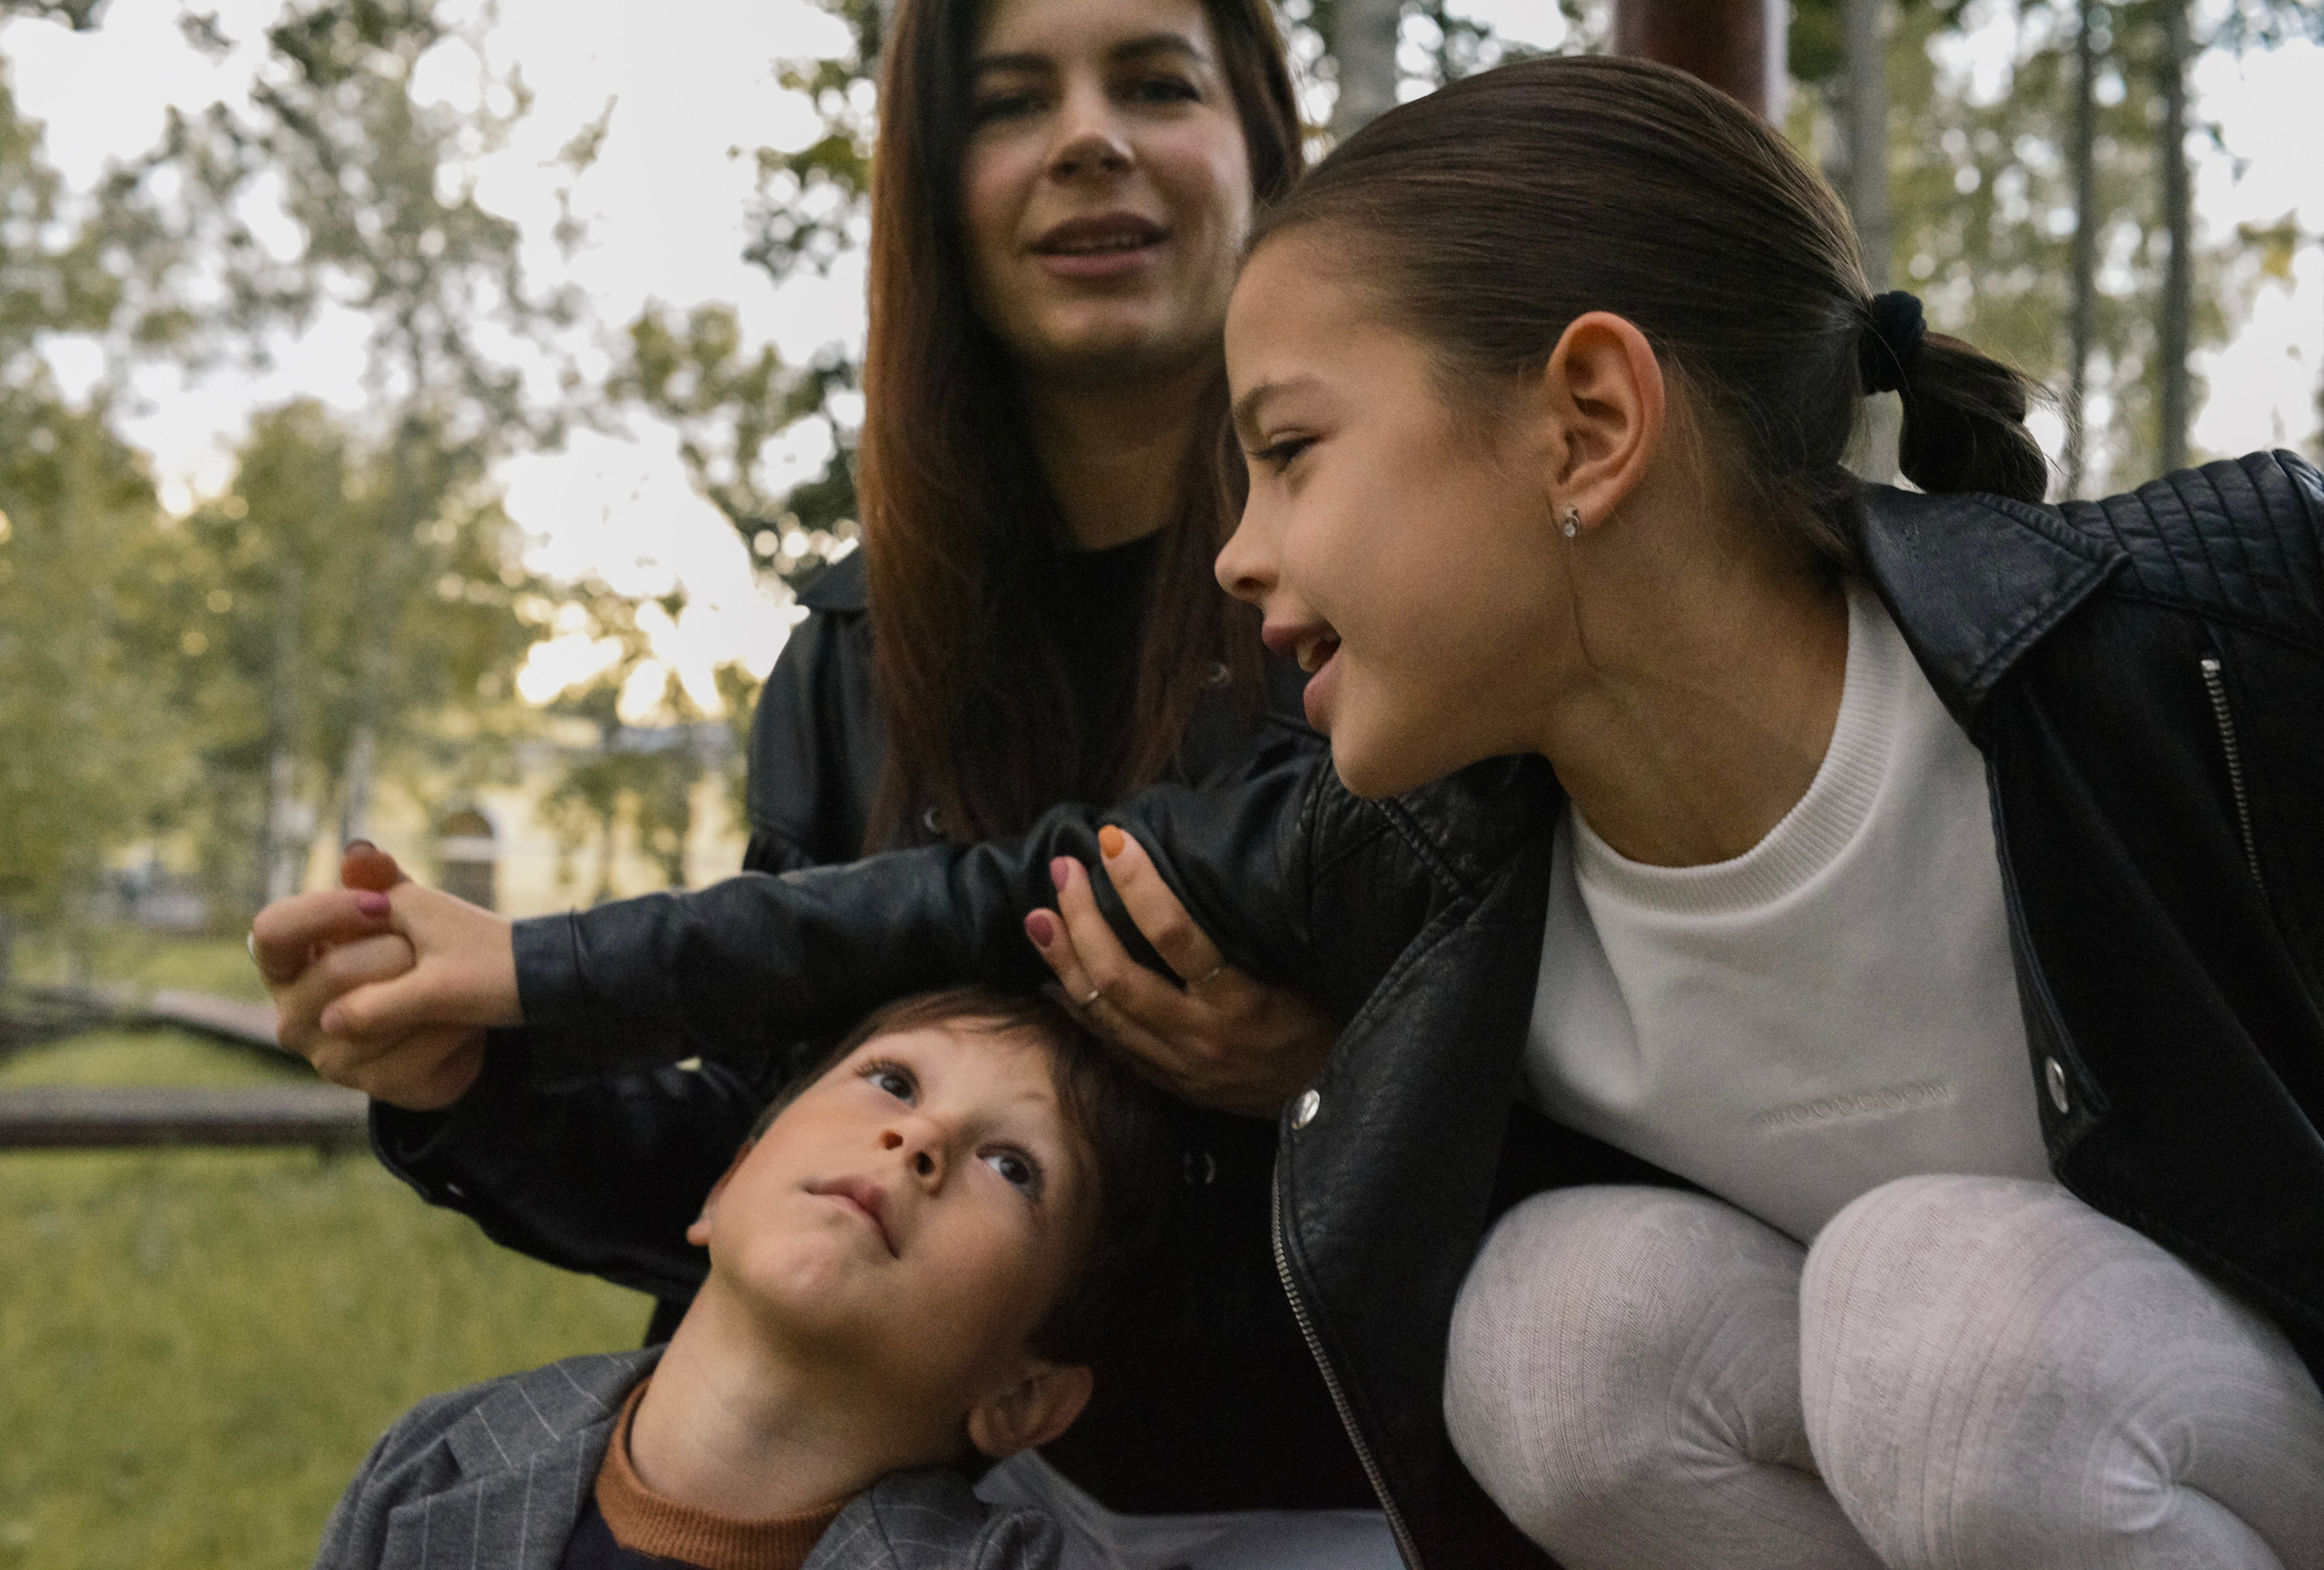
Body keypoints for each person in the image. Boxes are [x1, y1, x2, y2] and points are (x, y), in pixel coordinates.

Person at [261, 55, 2324, 1570]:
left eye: (1293, 453)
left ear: (1585, 424)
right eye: (1004, 94)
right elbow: (881, 1003)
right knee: (1553, 1332)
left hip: (2072, 1381)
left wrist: (1333, 1083)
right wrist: (503, 1012)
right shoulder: (1388, 789)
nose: (1255, 554)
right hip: (1211, 1464)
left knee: (1927, 1310)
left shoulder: (2168, 637)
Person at [290, 0, 1397, 1563]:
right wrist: (470, 1084)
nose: (1089, 138)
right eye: (1013, 102)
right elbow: (755, 1157)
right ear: (935, 194)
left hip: (1336, 1500)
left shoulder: (1391, 600)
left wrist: (1333, 1081)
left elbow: (1574, 1079)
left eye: (1155, 84)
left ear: (1268, 154)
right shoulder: (855, 652)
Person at [315, 987, 1173, 1570]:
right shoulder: (434, 1458)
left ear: (1025, 1394)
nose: (923, 1137)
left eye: (1014, 1166)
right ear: (724, 1188)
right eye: (893, 1081)